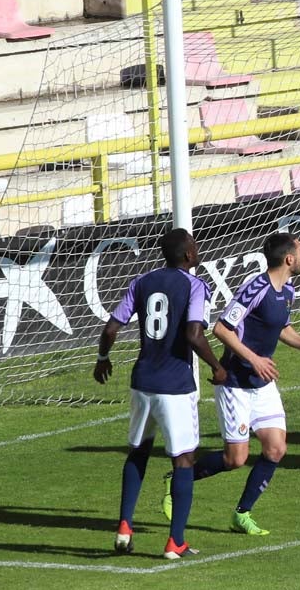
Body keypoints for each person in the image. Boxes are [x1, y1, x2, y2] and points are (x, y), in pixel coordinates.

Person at [190, 232, 300, 536]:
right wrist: (255, 358)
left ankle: (242, 514)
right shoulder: (255, 288)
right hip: (237, 383)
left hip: (262, 384)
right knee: (236, 459)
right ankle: (179, 476)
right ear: (289, 258)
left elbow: (282, 328)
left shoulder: (288, 291)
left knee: (275, 449)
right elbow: (222, 328)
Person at [94, 228, 227, 560]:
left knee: (138, 451)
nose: (197, 250)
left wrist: (102, 359)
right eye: (194, 246)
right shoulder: (196, 286)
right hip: (174, 385)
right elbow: (194, 335)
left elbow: (111, 328)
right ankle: (175, 542)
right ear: (187, 255)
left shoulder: (142, 282)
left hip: (142, 381)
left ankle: (124, 527)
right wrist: (216, 367)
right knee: (183, 459)